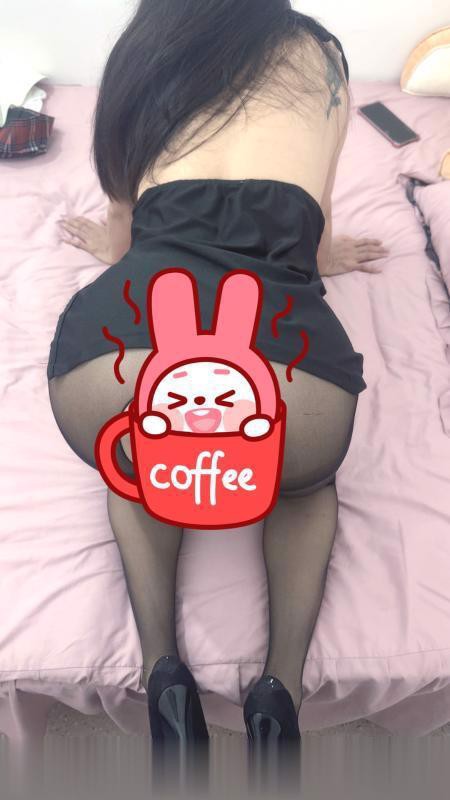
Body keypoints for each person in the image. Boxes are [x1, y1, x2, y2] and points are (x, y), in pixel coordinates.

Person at [48, 0, 389, 756]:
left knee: (137, 452)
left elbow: (123, 225)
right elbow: (317, 215)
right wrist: (327, 258)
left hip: (119, 356)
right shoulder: (322, 59)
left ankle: (163, 673)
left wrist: (113, 253)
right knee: (303, 485)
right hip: (286, 370)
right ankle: (280, 693)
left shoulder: (144, 54)